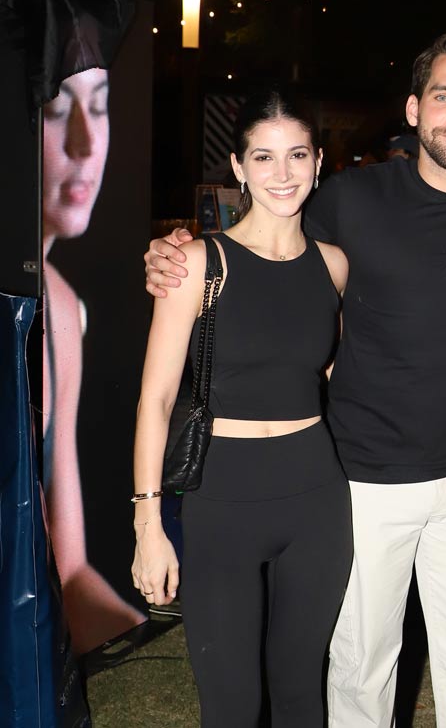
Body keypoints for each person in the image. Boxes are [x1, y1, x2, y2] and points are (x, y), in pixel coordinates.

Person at [144, 33, 446, 727]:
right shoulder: (350, 198)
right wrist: (173, 255)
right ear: (414, 108)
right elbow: (268, 247)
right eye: (442, 95)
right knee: (360, 670)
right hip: (363, 478)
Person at [131, 91, 352, 726]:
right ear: (238, 166)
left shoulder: (333, 267)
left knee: (300, 694)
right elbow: (157, 398)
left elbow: (324, 373)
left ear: (317, 163)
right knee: (229, 703)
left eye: (297, 156)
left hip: (316, 499)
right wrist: (149, 526)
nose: (282, 174)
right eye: (264, 156)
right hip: (222, 499)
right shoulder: (199, 263)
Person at [42, 66, 145, 654]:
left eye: (99, 107)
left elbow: (71, 567)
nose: (85, 143)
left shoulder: (61, 306)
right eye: (56, 110)